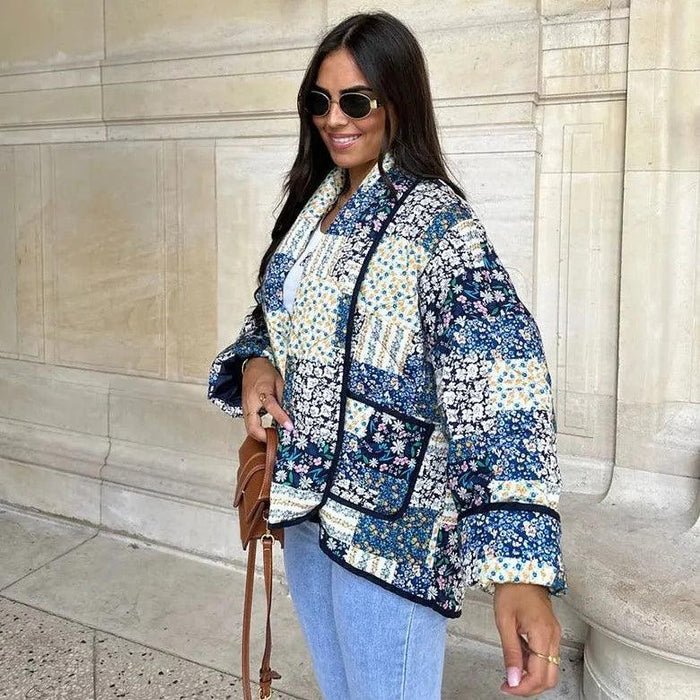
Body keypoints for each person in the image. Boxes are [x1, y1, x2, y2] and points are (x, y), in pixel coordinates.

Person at [208, 11, 567, 700]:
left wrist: (520, 571)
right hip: (305, 507)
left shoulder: (439, 226)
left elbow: (501, 383)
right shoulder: (313, 206)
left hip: (390, 533)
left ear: (398, 101)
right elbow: (272, 314)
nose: (333, 119)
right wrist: (256, 362)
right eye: (319, 101)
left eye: (356, 101)